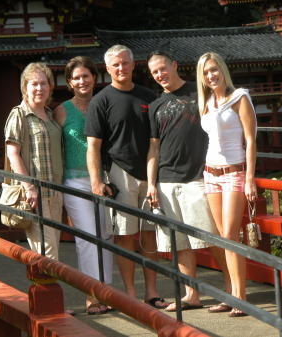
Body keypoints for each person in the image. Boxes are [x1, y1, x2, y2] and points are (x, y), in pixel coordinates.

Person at [84, 45, 169, 309]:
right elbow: (93, 146)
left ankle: (151, 292)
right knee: (124, 235)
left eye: (125, 63)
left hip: (152, 173)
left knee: (150, 235)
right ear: (107, 70)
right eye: (115, 65)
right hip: (120, 173)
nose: (121, 68)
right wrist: (96, 180)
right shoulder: (101, 101)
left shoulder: (148, 96)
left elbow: (159, 138)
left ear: (133, 65)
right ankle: (130, 293)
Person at [146, 51, 232, 313]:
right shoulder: (154, 106)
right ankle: (191, 293)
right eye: (154, 72)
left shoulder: (201, 93)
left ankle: (233, 291)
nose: (160, 75)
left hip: (198, 176)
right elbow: (153, 149)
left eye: (163, 68)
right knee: (180, 242)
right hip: (167, 180)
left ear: (174, 65)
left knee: (213, 237)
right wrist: (152, 183)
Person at [196, 52, 258, 317]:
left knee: (231, 237)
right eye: (206, 73)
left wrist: (250, 179)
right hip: (210, 173)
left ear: (222, 69)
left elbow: (251, 140)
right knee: (221, 238)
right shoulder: (207, 101)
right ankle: (232, 293)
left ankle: (241, 298)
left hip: (234, 172)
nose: (211, 76)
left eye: (214, 70)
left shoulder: (239, 97)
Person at [54, 56, 114, 315]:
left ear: (94, 78)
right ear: (69, 82)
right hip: (74, 181)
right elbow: (54, 147)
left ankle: (107, 292)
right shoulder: (62, 110)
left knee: (106, 236)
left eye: (86, 76)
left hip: (104, 180)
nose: (82, 81)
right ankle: (91, 295)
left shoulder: (104, 104)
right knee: (88, 238)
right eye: (76, 77)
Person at [4, 62, 63, 261]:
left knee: (53, 249)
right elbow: (13, 154)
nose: (40, 88)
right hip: (35, 196)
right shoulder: (19, 115)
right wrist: (29, 187)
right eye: (34, 84)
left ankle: (46, 290)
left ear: (50, 87)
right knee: (47, 256)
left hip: (55, 193)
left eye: (44, 83)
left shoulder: (51, 115)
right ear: (25, 88)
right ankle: (45, 292)